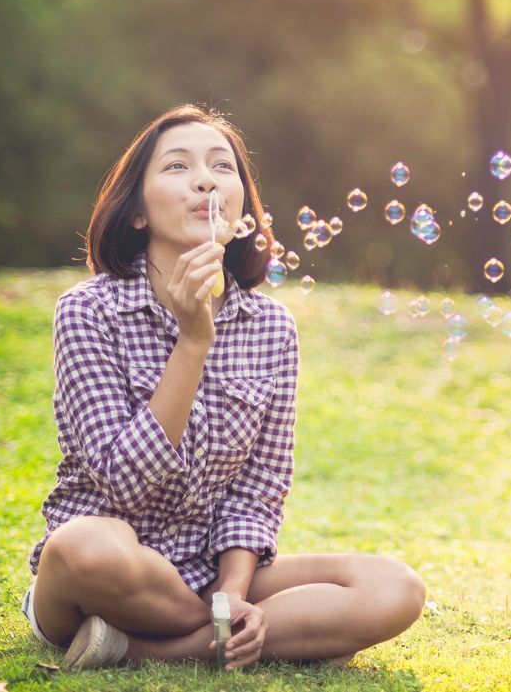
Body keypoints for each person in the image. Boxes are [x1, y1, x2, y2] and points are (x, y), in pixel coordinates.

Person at [22, 104, 426, 671]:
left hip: (210, 572)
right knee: (81, 545)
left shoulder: (271, 327)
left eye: (221, 166)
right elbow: (121, 481)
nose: (205, 180)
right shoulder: (89, 312)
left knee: (394, 587)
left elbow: (258, 489)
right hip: (109, 570)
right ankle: (261, 633)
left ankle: (145, 649)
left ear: (241, 209)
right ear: (136, 211)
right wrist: (193, 343)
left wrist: (233, 594)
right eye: (177, 166)